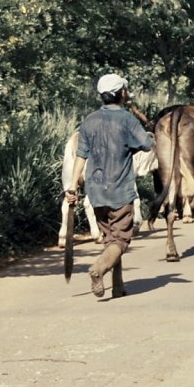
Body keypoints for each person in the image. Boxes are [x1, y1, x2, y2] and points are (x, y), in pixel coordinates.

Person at [65, 73, 153, 299]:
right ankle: (98, 269)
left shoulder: (89, 120)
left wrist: (72, 186)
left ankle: (118, 286)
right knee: (121, 240)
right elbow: (145, 144)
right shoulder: (127, 119)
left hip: (95, 192)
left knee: (110, 240)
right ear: (122, 93)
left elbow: (81, 156)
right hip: (120, 191)